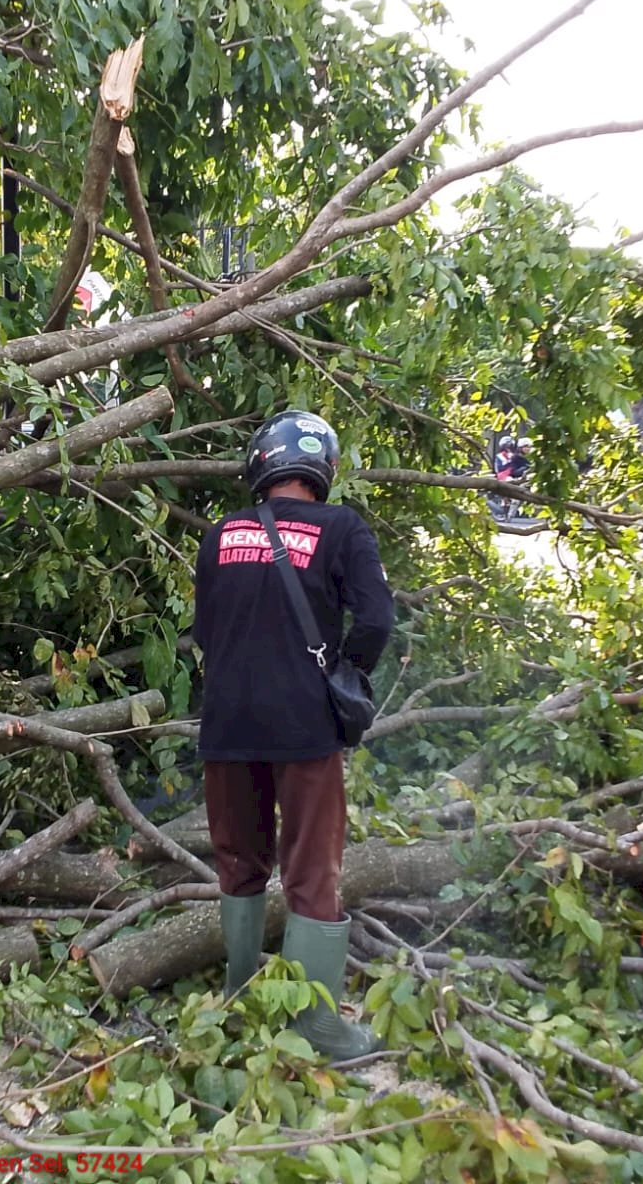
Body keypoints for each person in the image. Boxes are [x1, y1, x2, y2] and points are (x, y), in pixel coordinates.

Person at [193, 410, 394, 1059]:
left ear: (261, 463)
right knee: (312, 872)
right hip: (305, 727)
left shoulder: (219, 534)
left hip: (226, 724)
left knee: (238, 863)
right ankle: (316, 1028)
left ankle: (237, 999)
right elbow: (376, 619)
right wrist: (348, 672)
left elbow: (205, 630)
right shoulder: (342, 527)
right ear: (322, 470)